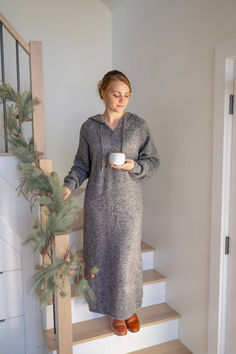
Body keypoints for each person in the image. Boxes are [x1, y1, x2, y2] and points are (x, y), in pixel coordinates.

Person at [63, 70, 160, 336]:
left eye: (126, 95)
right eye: (116, 94)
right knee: (101, 257)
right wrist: (68, 186)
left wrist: (134, 165)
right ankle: (111, 310)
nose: (122, 99)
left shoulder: (139, 126)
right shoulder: (90, 127)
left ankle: (127, 309)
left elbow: (152, 162)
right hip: (98, 203)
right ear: (103, 92)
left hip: (129, 205)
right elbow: (81, 165)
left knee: (126, 259)